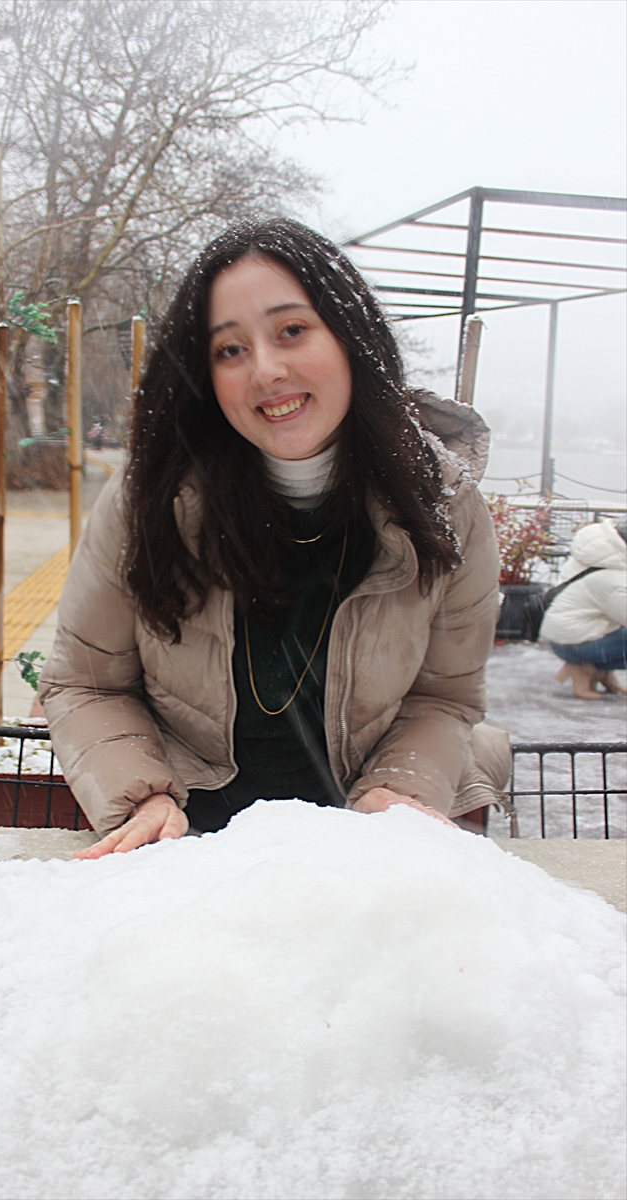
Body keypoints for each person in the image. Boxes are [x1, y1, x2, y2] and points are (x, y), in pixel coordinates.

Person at [38, 218, 508, 856]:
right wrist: (141, 794)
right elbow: (84, 682)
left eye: (292, 331)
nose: (266, 370)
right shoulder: (148, 499)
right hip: (191, 839)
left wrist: (399, 789)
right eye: (230, 349)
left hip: (363, 836)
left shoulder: (444, 505)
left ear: (350, 338)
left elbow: (444, 695)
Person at [541, 518, 627, 700]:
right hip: (574, 643)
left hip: (569, 636)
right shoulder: (614, 577)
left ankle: (598, 671)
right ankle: (583, 666)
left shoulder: (600, 554)